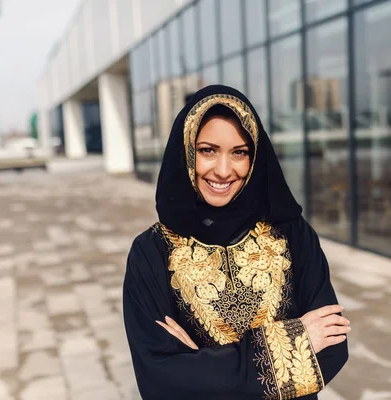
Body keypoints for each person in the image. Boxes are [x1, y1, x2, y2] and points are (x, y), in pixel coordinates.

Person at [123, 85, 349, 399]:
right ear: (187, 151)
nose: (224, 170)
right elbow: (160, 379)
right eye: (208, 150)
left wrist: (200, 361)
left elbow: (333, 347)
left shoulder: (291, 233)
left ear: (255, 157)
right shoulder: (152, 252)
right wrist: (296, 338)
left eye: (239, 152)